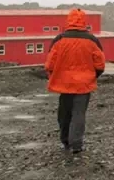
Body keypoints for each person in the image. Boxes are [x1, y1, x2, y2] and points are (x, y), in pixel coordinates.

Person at [44, 8, 105, 154]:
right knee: (79, 113)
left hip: (64, 84)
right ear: (84, 21)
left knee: (64, 113)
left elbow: (50, 64)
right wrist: (92, 76)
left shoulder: (59, 39)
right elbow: (100, 65)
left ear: (69, 21)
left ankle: (65, 141)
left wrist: (53, 76)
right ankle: (76, 145)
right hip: (84, 84)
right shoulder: (92, 40)